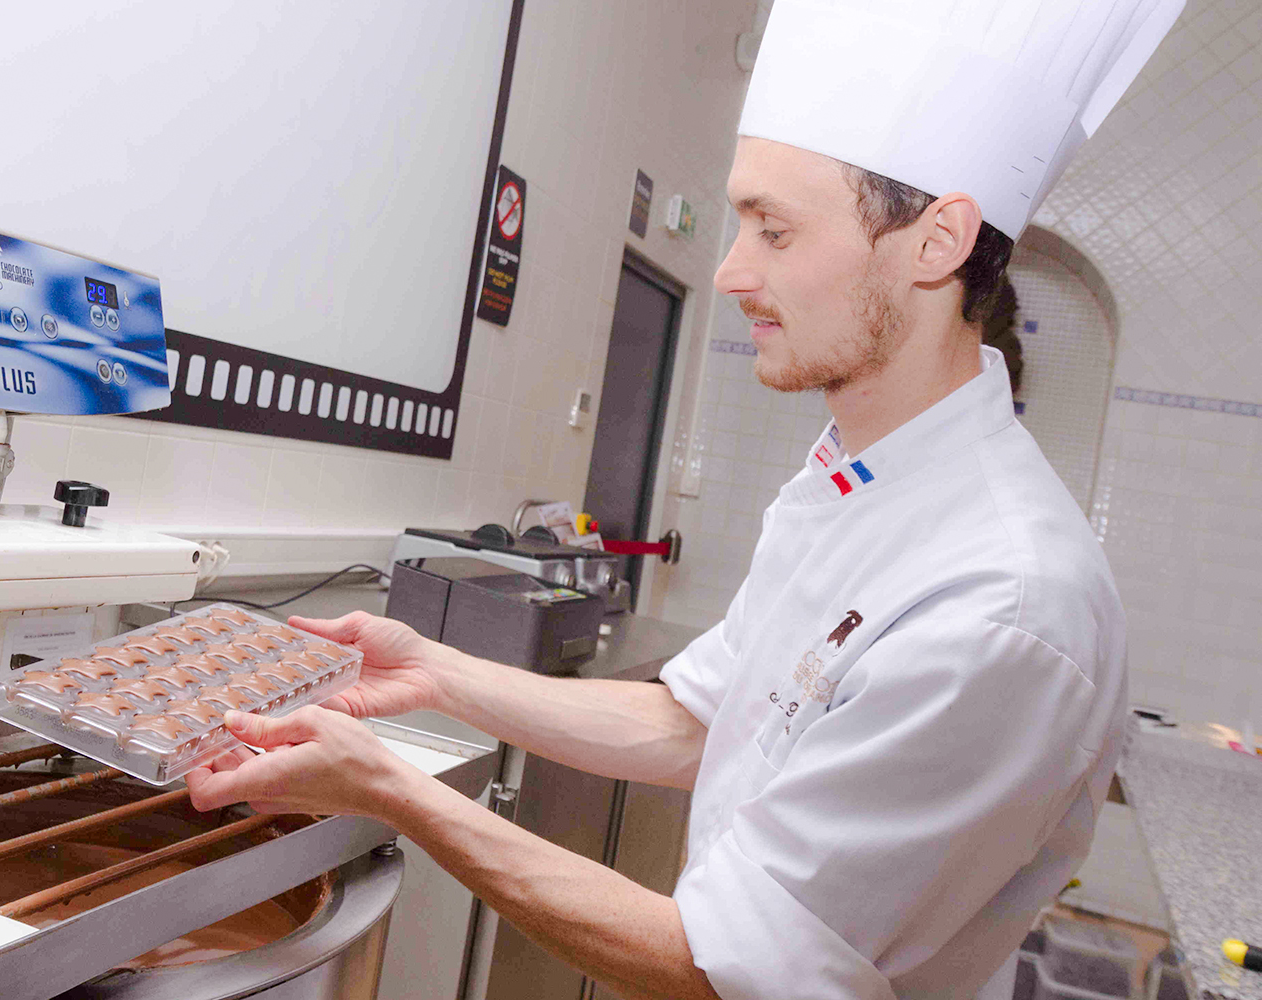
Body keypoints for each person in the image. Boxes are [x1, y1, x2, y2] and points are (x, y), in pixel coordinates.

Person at [185, 1, 1184, 996]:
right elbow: (700, 725)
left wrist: (388, 787)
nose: (729, 270)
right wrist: (436, 673)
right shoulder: (848, 480)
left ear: (934, 243)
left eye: (775, 230)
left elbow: (724, 964)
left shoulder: (1003, 608)